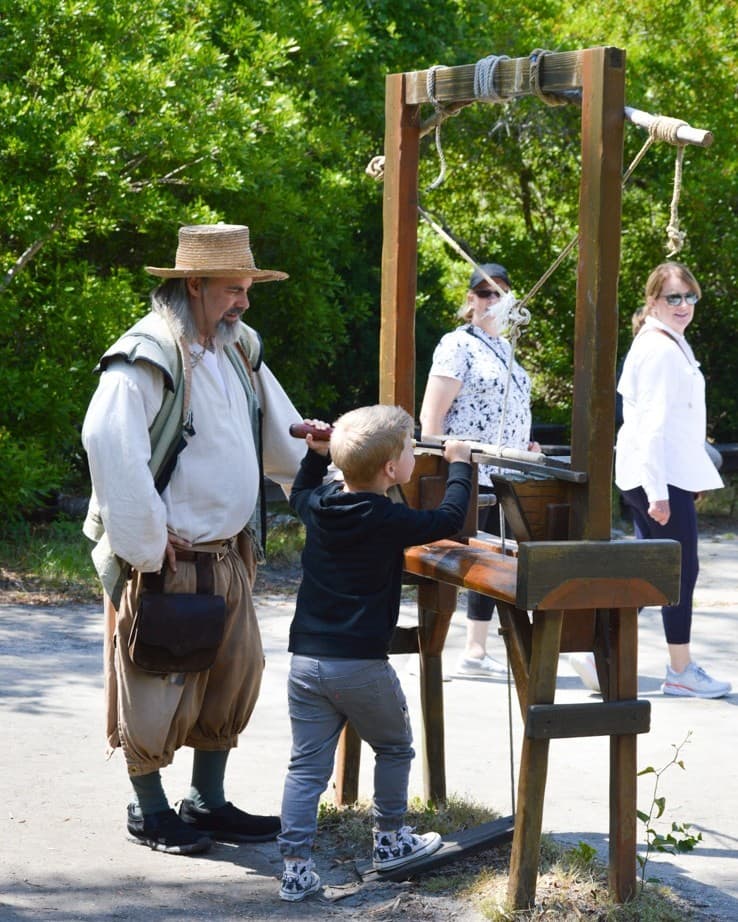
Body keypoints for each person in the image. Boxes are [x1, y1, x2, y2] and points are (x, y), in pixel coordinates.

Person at [81, 223, 306, 855]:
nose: (244, 301)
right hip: (168, 559)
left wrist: (326, 477)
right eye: (234, 289)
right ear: (195, 285)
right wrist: (146, 543)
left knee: (233, 676)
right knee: (156, 685)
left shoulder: (239, 348)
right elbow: (107, 440)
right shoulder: (146, 351)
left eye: (248, 288)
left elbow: (280, 429)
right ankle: (148, 810)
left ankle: (206, 802)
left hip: (226, 554)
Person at [277, 405, 472, 901]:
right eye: (409, 449)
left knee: (305, 767)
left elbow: (299, 491)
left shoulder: (320, 504)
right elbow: (448, 519)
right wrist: (460, 464)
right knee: (394, 745)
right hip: (360, 664)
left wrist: (315, 457)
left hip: (306, 663)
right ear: (391, 469)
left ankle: (295, 867)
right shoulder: (386, 517)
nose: (413, 455)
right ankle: (390, 840)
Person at [614, 261, 730, 698]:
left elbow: (677, 425)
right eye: (673, 298)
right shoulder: (661, 350)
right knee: (679, 572)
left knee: (655, 569)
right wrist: (659, 493)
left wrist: (689, 474)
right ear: (653, 302)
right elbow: (651, 427)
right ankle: (679, 670)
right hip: (653, 476)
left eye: (690, 296)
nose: (683, 305)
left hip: (660, 473)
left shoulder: (666, 341)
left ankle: (591, 645)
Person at [419, 262, 539, 677]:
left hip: (509, 473)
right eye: (486, 293)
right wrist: (441, 472)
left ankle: (476, 649)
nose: (494, 301)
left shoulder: (505, 348)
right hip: (469, 472)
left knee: (501, 561)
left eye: (502, 293)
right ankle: (437, 647)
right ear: (470, 299)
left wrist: (525, 441)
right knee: (468, 560)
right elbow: (431, 419)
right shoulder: (457, 344)